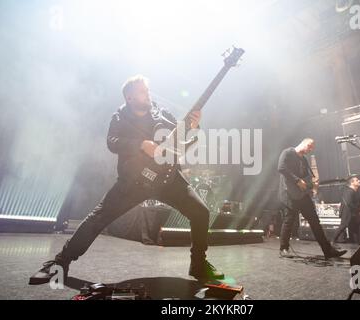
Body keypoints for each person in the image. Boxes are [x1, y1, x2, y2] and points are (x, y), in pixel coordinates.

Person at [29, 75, 224, 285]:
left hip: (167, 179)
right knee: (98, 218)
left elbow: (180, 135)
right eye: (142, 91)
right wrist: (141, 144)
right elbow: (112, 142)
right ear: (130, 97)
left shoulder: (160, 112)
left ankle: (198, 264)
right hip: (133, 182)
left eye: (147, 90)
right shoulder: (119, 117)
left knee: (201, 212)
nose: (148, 94)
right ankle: (59, 264)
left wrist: (194, 126)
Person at [278, 138, 347, 259]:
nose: (310, 149)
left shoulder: (304, 160)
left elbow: (307, 177)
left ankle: (327, 250)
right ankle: (284, 249)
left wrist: (312, 185)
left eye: (312, 148)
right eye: (309, 146)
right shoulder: (288, 152)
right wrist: (297, 180)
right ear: (303, 142)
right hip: (288, 193)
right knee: (289, 220)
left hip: (302, 195)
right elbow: (281, 168)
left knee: (315, 221)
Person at [331, 176, 360, 245]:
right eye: (357, 180)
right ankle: (332, 241)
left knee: (358, 226)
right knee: (343, 226)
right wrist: (358, 211)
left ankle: (359, 243)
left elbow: (355, 202)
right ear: (352, 183)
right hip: (348, 212)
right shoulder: (349, 191)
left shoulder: (354, 191)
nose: (359, 181)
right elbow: (348, 203)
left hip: (353, 213)